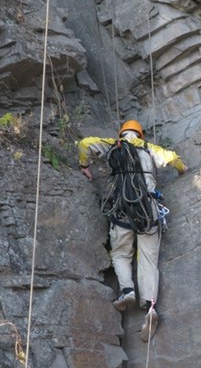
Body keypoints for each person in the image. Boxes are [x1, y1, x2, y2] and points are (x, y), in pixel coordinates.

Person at [77, 120, 187, 341]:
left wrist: (84, 166)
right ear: (140, 135)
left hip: (121, 210)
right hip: (148, 210)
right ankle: (150, 305)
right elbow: (172, 158)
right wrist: (182, 169)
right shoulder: (148, 148)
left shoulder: (113, 145)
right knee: (148, 259)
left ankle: (127, 290)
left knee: (120, 253)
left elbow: (85, 143)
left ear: (122, 133)